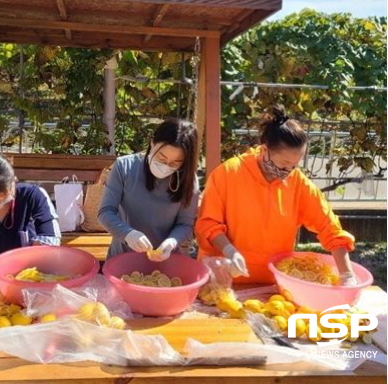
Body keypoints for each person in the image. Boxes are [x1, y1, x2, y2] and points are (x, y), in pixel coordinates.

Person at [195, 104, 358, 285]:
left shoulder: (298, 183)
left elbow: (330, 228)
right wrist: (229, 251)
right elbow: (208, 224)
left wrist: (347, 275)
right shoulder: (228, 173)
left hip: (275, 283)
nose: (288, 171)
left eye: (294, 165)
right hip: (224, 279)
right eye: (283, 165)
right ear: (264, 150)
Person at [98, 118, 200, 262]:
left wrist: (171, 242)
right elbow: (105, 212)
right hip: (122, 258)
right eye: (161, 157)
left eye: (175, 163)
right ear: (152, 143)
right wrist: (128, 234)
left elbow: (185, 224)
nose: (166, 165)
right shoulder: (124, 167)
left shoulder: (188, 180)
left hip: (167, 261)